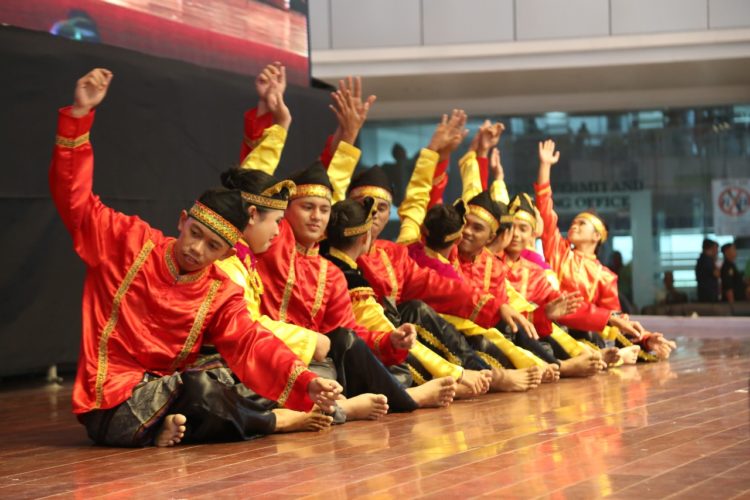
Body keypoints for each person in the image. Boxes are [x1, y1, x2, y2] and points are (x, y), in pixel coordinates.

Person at [51, 68, 342, 447]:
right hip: (111, 401)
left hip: (168, 391)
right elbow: (74, 200)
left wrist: (306, 380)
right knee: (200, 386)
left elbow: (253, 341)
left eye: (212, 247)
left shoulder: (219, 289)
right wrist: (77, 118)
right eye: (194, 235)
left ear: (227, 251)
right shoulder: (128, 242)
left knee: (225, 374)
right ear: (182, 221)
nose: (196, 250)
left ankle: (165, 430)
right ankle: (274, 422)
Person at [535, 139, 676, 360]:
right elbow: (545, 211)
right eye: (573, 222)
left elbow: (617, 319)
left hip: (586, 333)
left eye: (582, 224)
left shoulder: (605, 276)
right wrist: (545, 167)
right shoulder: (559, 253)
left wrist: (646, 338)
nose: (574, 225)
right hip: (554, 328)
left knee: (601, 338)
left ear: (596, 236)